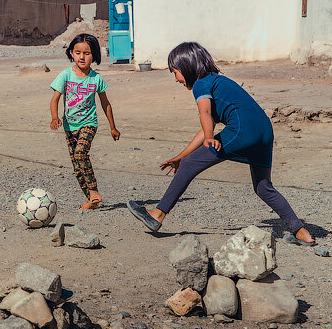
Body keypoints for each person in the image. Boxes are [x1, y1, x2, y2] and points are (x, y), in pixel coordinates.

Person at [127, 42, 316, 245]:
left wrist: (209, 137)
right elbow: (205, 128)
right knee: (263, 187)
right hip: (264, 131)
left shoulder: (201, 84)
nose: (176, 79)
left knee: (192, 164)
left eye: (175, 72)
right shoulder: (217, 81)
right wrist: (181, 156)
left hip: (243, 130)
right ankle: (301, 232)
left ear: (188, 66)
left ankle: (158, 214)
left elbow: (205, 113)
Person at [49, 34, 120, 210]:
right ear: (71, 53)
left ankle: (94, 190)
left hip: (89, 123)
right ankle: (91, 200)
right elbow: (54, 99)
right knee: (76, 167)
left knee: (81, 154)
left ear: (94, 55)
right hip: (69, 126)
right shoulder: (65, 75)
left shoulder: (96, 79)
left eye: (87, 53)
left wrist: (113, 127)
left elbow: (105, 103)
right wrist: (54, 117)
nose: (82, 57)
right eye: (78, 52)